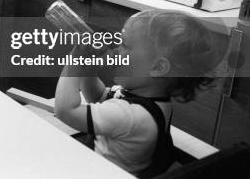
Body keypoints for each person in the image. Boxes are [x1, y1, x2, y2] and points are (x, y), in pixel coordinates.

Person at [55, 10, 218, 176]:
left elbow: (65, 110)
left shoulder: (132, 115)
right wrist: (87, 69)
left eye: (125, 45)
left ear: (158, 68)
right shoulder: (150, 101)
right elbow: (98, 97)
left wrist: (74, 61)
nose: (117, 50)